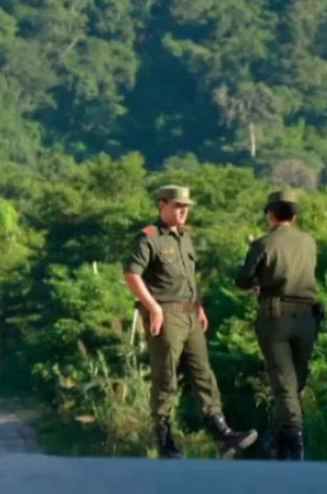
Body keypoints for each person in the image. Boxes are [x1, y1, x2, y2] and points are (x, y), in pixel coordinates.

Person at [123, 184, 257, 459]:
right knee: (166, 376)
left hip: (190, 314)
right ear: (162, 205)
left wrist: (199, 306)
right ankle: (165, 440)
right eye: (177, 206)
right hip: (166, 313)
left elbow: (190, 277)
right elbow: (132, 275)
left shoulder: (185, 238)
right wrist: (153, 308)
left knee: (203, 373)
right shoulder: (149, 238)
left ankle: (222, 433)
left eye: (185, 207)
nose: (183, 211)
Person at [235, 189, 319, 460]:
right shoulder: (310, 242)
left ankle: (292, 438)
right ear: (294, 215)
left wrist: (258, 282)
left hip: (276, 316)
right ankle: (283, 435)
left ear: (270, 214)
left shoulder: (263, 243)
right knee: (296, 379)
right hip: (308, 317)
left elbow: (242, 280)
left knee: (283, 381)